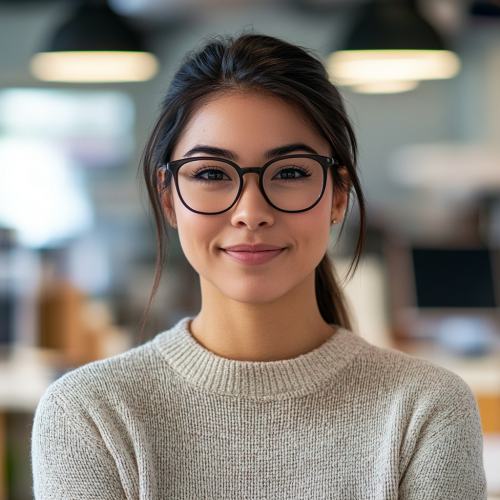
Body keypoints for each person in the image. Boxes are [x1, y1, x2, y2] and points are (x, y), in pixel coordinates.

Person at [32, 34, 486, 499]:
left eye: (290, 172)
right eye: (211, 173)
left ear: (338, 195)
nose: (250, 211)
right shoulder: (90, 412)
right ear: (168, 199)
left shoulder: (425, 409)